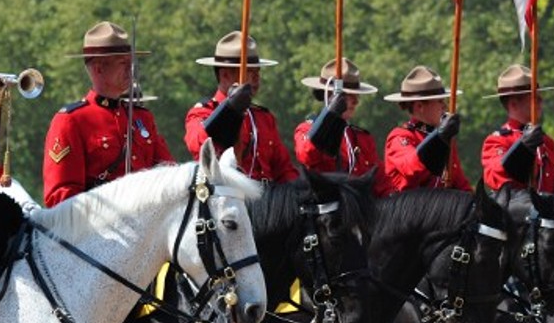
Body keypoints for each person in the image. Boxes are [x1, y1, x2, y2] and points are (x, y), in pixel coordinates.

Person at [43, 21, 174, 206]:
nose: (131, 70)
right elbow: (61, 198)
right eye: (123, 63)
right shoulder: (71, 120)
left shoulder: (142, 118)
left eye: (131, 62)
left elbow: (169, 173)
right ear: (98, 68)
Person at [184, 31, 298, 184]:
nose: (257, 77)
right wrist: (231, 109)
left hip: (267, 199)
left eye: (258, 71)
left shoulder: (263, 118)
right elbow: (199, 145)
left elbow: (283, 169)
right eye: (249, 71)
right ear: (225, 75)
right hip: (228, 199)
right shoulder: (203, 112)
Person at [293, 57, 391, 196]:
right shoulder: (306, 129)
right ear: (330, 95)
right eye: (348, 95)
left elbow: (381, 182)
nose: (356, 101)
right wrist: (329, 116)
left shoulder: (362, 138)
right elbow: (306, 155)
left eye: (356, 95)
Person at [481, 64, 554, 198]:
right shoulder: (497, 140)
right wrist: (522, 148)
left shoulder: (546, 142)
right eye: (533, 97)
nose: (541, 100)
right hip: (515, 216)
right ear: (513, 103)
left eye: (539, 95)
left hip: (546, 214)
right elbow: (495, 177)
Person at [383, 65, 472, 192]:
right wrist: (439, 136)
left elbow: (460, 183)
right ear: (420, 106)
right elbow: (412, 169)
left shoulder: (445, 139)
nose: (445, 106)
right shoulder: (400, 136)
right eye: (440, 101)